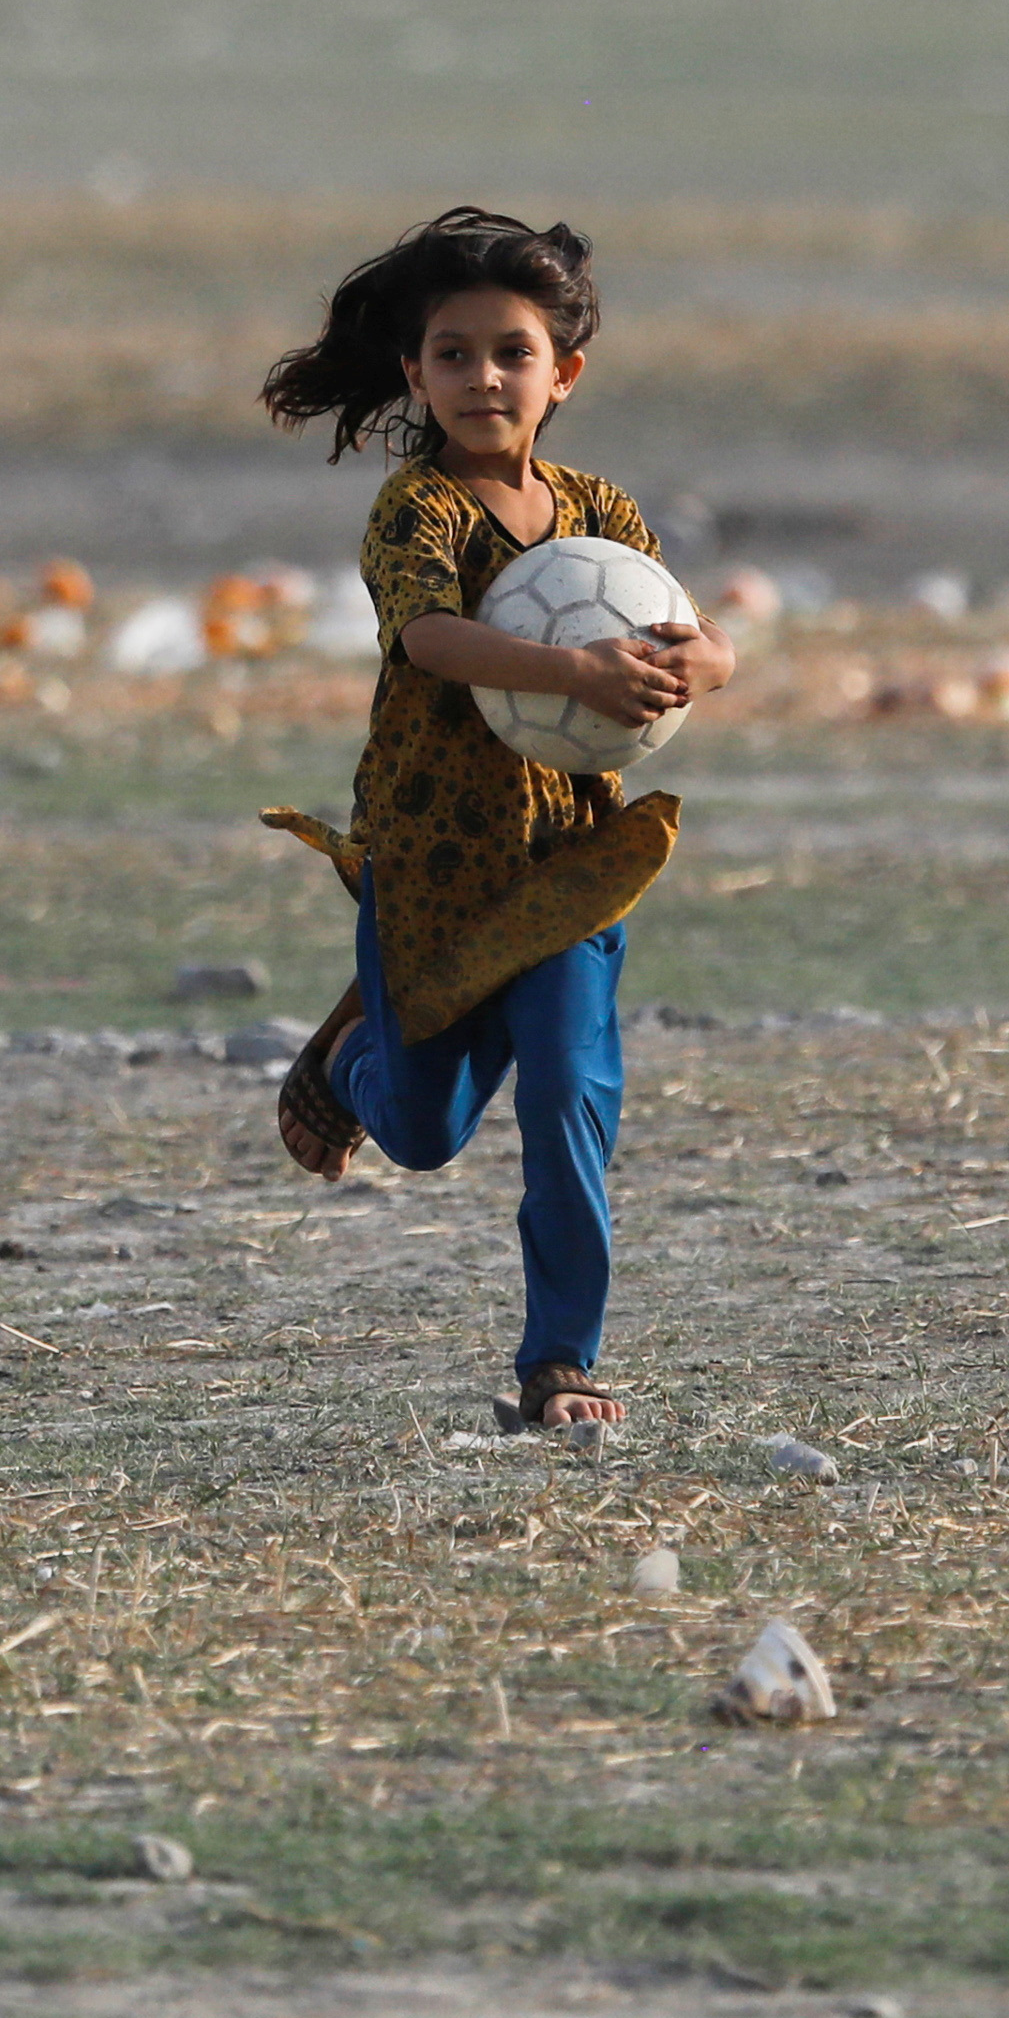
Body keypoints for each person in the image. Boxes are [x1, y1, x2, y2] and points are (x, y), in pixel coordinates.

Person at [251, 208, 734, 1438]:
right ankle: (351, 1058)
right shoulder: (414, 510)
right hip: (432, 863)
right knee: (421, 1132)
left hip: (569, 865)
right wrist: (573, 673)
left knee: (569, 1092)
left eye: (511, 353)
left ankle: (558, 1360)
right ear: (414, 375)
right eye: (452, 355)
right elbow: (429, 638)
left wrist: (704, 662)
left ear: (562, 373)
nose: (482, 378)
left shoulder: (602, 513)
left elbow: (691, 632)